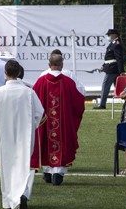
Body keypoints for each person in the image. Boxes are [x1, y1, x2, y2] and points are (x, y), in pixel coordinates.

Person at [0, 60, 44, 209]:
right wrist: (31, 126)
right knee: (23, 167)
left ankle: (8, 206)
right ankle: (22, 196)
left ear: (5, 73)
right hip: (25, 136)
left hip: (5, 136)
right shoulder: (29, 92)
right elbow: (40, 112)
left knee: (6, 170)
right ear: (19, 73)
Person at [30, 54, 85, 185]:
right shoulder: (69, 82)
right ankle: (58, 173)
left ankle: (48, 171)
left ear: (49, 65)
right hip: (63, 124)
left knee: (45, 142)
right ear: (62, 65)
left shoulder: (41, 81)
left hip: (45, 122)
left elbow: (32, 100)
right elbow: (78, 103)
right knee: (62, 140)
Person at [94, 29, 124, 109]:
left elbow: (119, 58)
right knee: (118, 87)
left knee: (106, 86)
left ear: (114, 35)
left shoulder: (116, 44)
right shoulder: (112, 44)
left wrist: (121, 71)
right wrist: (103, 67)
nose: (108, 36)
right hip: (110, 68)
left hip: (112, 69)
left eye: (109, 35)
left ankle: (102, 104)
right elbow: (109, 58)